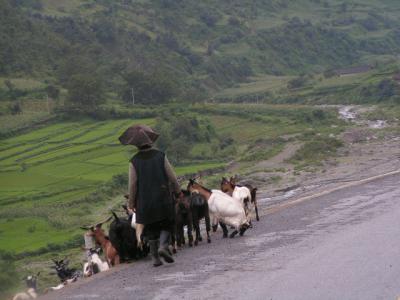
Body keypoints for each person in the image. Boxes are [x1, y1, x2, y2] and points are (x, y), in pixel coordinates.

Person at [119, 124, 181, 267]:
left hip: (145, 202)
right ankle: (163, 247)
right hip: (163, 198)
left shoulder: (134, 162)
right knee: (167, 223)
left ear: (136, 145)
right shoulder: (161, 156)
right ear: (150, 141)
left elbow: (133, 185)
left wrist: (131, 203)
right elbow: (172, 177)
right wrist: (177, 191)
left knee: (150, 228)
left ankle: (155, 258)